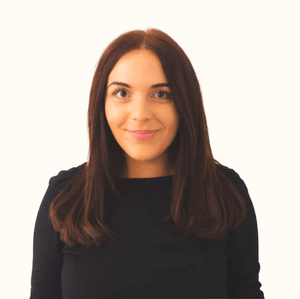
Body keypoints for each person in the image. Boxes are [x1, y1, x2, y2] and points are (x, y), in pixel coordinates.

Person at [29, 28, 264, 299]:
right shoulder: (65, 196)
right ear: (101, 103)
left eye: (161, 94)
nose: (140, 114)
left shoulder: (224, 192)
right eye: (121, 93)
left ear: (185, 103)